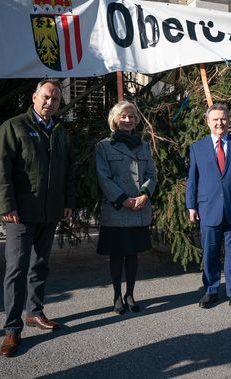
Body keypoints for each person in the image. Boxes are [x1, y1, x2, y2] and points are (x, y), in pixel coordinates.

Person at [0, 79, 76, 357]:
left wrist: (68, 202)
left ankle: (34, 312)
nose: (50, 103)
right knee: (16, 269)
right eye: (46, 97)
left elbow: (68, 171)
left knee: (40, 265)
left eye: (55, 100)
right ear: (34, 97)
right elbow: (0, 169)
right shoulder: (14, 127)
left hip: (49, 212)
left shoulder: (60, 132)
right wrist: (6, 205)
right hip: (20, 214)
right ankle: (12, 329)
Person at [185, 103, 231, 313]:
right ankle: (210, 290)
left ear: (229, 120)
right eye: (215, 119)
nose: (220, 123)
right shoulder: (197, 148)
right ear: (208, 122)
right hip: (208, 209)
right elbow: (193, 180)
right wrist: (191, 205)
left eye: (223, 118)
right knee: (210, 253)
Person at [95, 101, 157, 315]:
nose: (128, 120)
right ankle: (117, 296)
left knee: (132, 254)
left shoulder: (144, 146)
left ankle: (130, 294)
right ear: (115, 120)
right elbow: (104, 178)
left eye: (132, 117)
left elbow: (151, 175)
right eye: (124, 117)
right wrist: (123, 200)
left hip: (138, 209)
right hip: (117, 210)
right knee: (117, 254)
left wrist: (144, 195)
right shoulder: (104, 146)